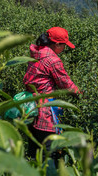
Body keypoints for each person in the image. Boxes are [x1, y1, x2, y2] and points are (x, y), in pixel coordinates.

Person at [23, 26, 80, 159]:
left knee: (34, 152)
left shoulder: (37, 53)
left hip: (30, 109)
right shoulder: (53, 60)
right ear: (57, 44)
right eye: (64, 46)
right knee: (49, 154)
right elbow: (65, 83)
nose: (64, 49)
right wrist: (80, 94)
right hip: (45, 112)